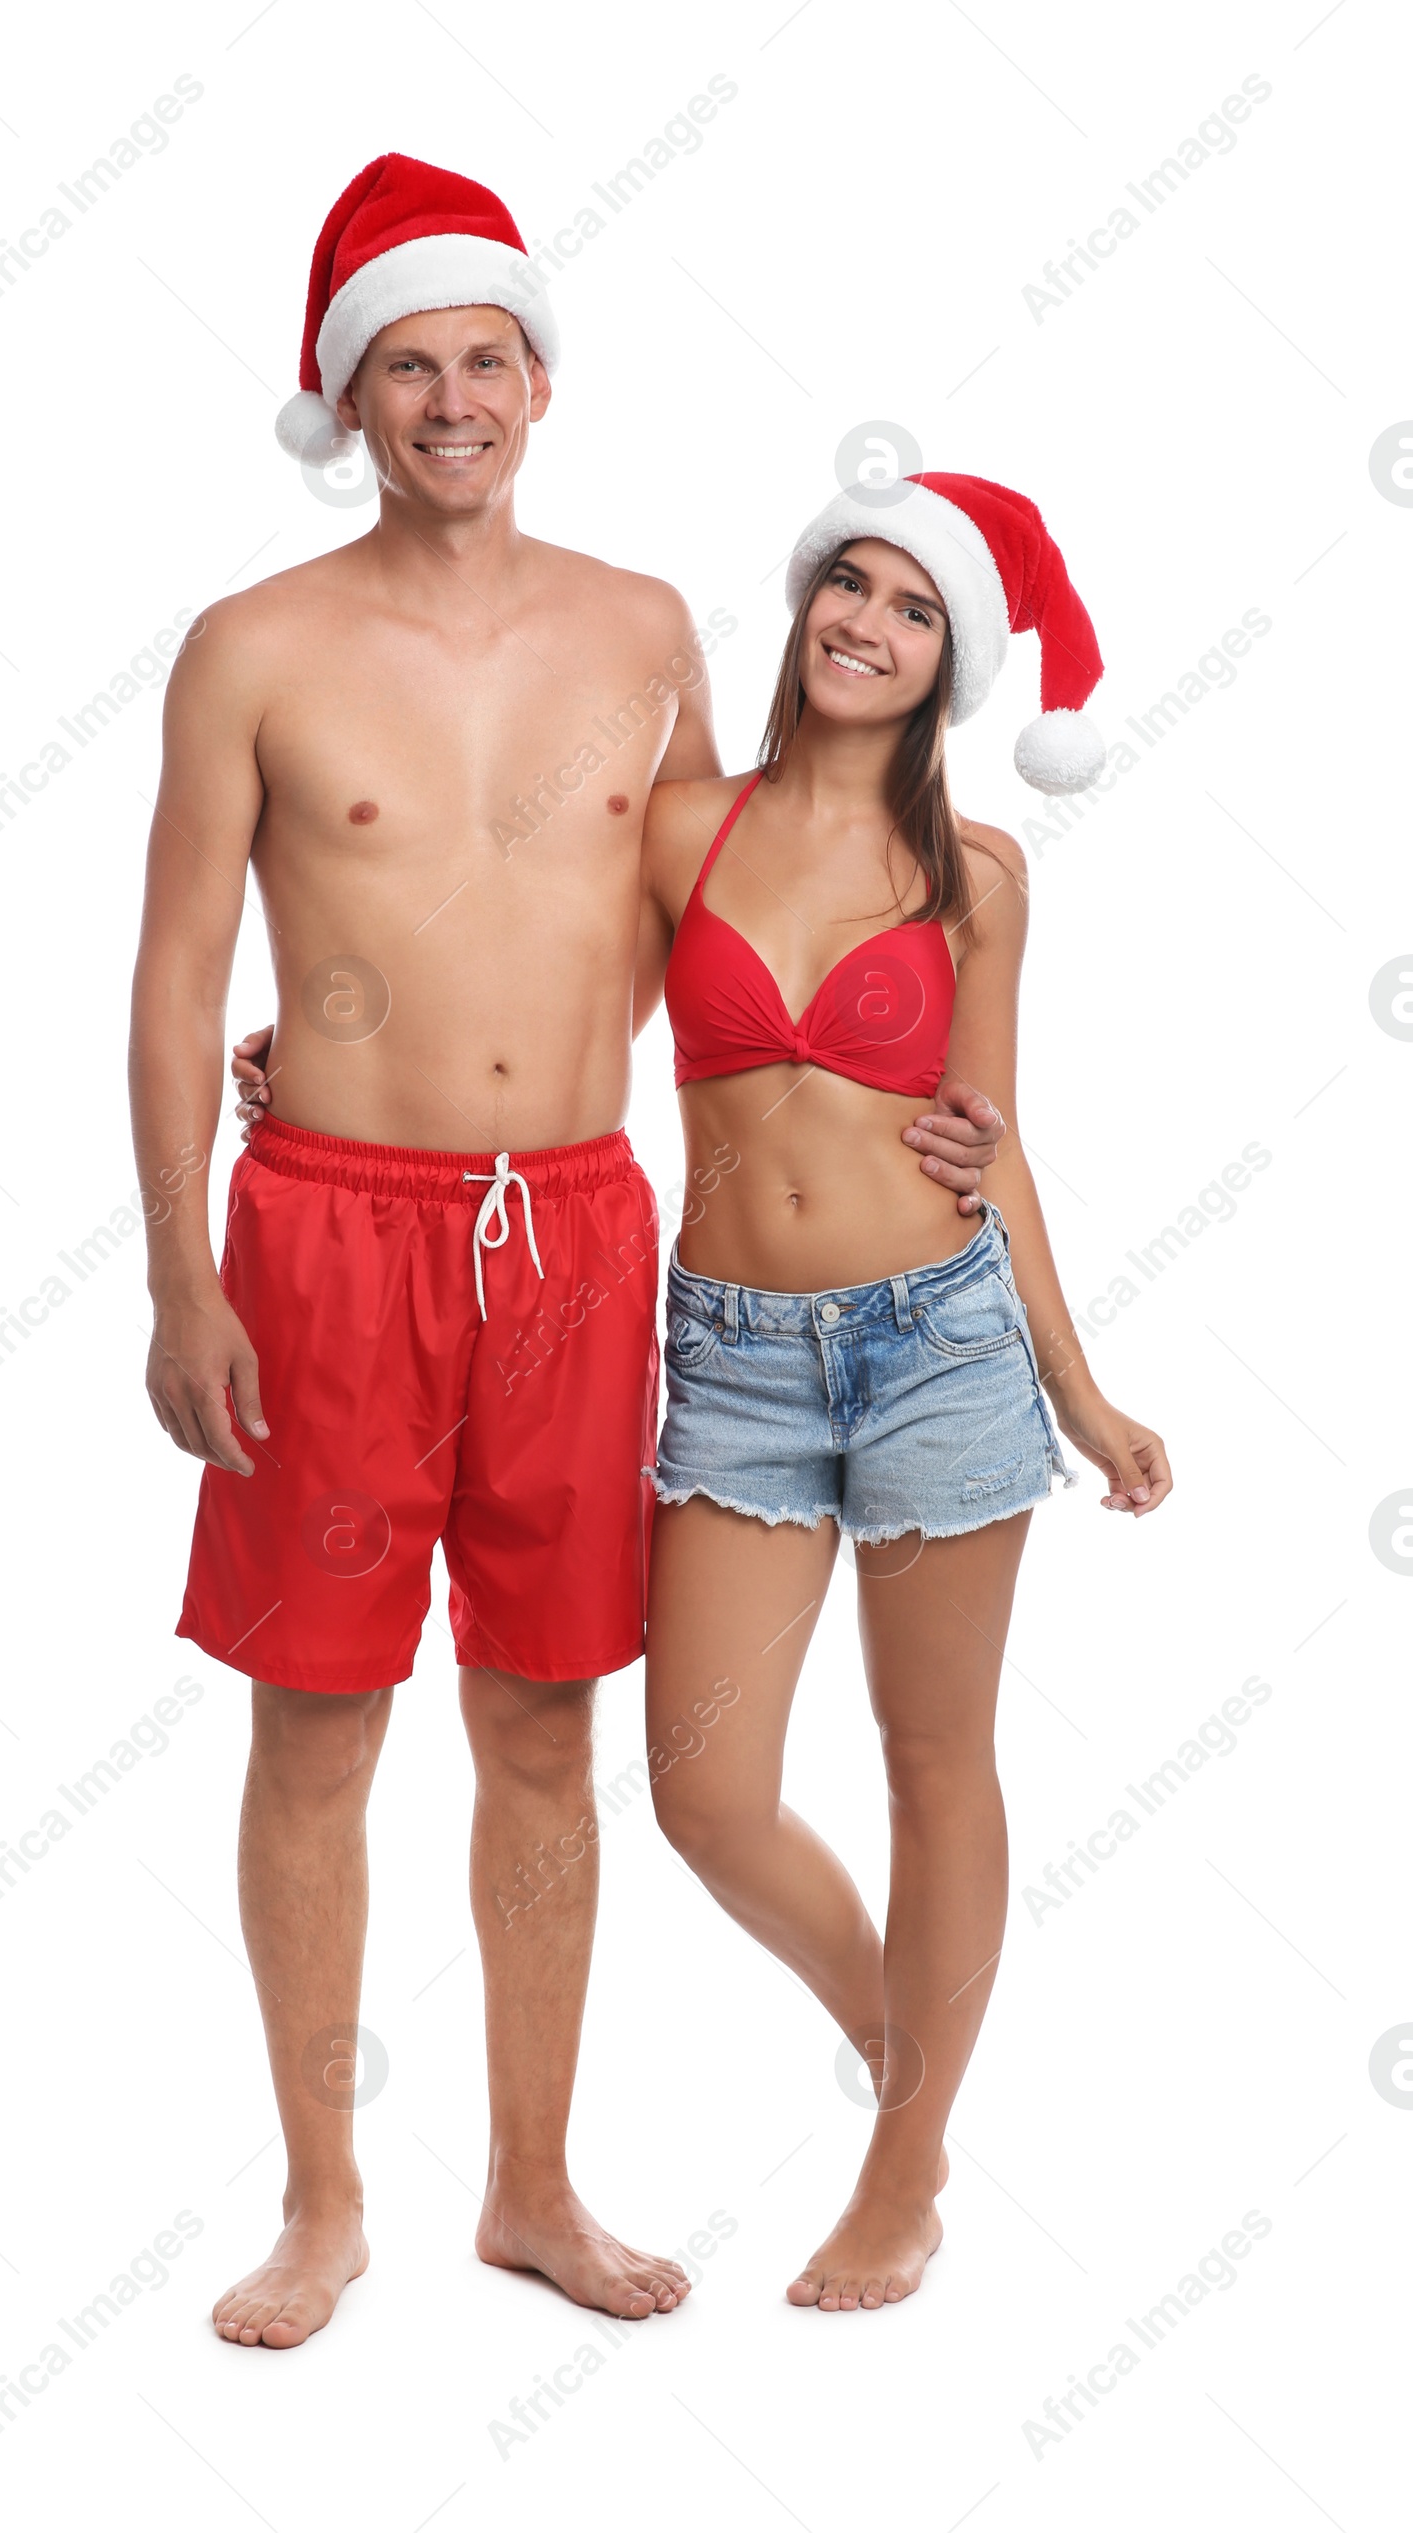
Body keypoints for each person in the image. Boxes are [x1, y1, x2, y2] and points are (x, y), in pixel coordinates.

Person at [130, 155, 1008, 2351]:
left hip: (579, 1242)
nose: (451, 398)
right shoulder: (253, 646)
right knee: (314, 1724)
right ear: (352, 397)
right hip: (323, 1237)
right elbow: (167, 977)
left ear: (540, 381)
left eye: (483, 359)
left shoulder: (638, 631)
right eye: (406, 366)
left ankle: (528, 2183)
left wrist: (915, 1077)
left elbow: (708, 916)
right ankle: (324, 2201)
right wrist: (178, 1268)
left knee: (543, 1729)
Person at [637, 472, 1171, 2312]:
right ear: (800, 611)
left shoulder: (979, 875)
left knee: (937, 1765)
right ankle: (899, 2033)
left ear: (955, 660)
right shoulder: (677, 829)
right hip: (732, 1357)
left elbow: (994, 1143)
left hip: (938, 1345)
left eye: (913, 606)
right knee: (704, 1792)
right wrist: (321, 1051)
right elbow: (550, 1027)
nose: (866, 620)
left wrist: (1080, 1391)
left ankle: (907, 2161)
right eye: (845, 586)